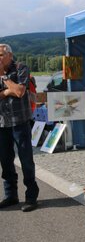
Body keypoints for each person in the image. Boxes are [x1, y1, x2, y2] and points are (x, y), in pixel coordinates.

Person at [0, 44, 40, 212]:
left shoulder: (21, 67)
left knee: (26, 161)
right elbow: (12, 91)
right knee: (5, 161)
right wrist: (8, 91)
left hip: (20, 122)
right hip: (2, 123)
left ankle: (31, 197)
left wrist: (3, 77)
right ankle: (11, 195)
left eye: (1, 54)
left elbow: (20, 91)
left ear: (10, 55)